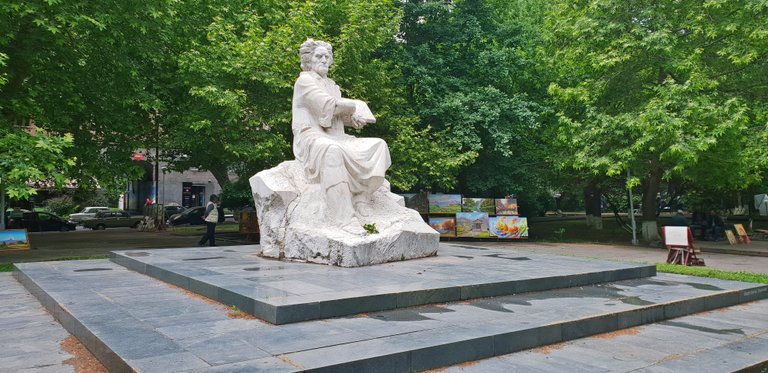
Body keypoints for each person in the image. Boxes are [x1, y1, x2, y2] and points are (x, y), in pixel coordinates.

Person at [292, 39, 391, 234]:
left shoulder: (332, 85)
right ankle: (344, 218)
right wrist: (354, 106)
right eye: (319, 56)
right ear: (308, 60)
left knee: (379, 145)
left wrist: (351, 118)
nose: (324, 59)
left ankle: (361, 198)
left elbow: (332, 115)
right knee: (332, 151)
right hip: (311, 136)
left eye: (327, 56)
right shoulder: (305, 80)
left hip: (336, 135)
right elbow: (327, 105)